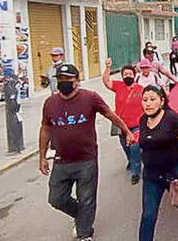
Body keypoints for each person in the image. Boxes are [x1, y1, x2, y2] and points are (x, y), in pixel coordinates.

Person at [39, 64, 135, 241]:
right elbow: (45, 128)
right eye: (60, 80)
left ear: (77, 81)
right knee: (56, 198)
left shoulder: (90, 98)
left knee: (87, 199)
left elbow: (110, 115)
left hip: (86, 160)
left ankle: (85, 234)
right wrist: (42, 156)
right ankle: (82, 215)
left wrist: (127, 131)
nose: (63, 83)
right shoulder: (50, 102)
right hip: (61, 161)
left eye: (67, 80)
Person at [138, 84, 178, 241]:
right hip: (151, 175)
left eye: (152, 99)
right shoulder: (143, 119)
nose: (148, 103)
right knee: (148, 216)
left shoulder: (172, 119)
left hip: (172, 173)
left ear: (161, 101)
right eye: (145, 99)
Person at [102, 58, 144, 184]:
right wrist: (108, 67)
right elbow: (106, 81)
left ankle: (136, 172)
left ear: (134, 75)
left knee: (134, 148)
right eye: (125, 74)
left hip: (136, 125)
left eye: (130, 74)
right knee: (126, 147)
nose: (127, 76)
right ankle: (131, 161)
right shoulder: (118, 86)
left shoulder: (141, 89)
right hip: (121, 125)